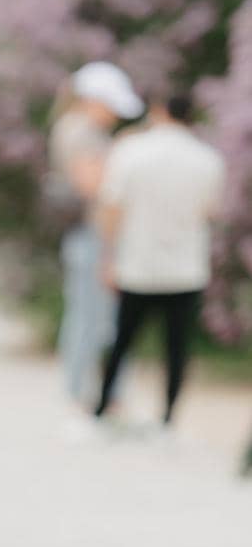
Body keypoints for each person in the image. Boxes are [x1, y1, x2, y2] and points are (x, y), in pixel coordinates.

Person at [94, 93, 225, 430]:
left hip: (137, 262)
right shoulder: (208, 159)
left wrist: (108, 256)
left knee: (122, 341)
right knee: (177, 348)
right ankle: (167, 417)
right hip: (185, 267)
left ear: (157, 112)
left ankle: (100, 409)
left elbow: (112, 207)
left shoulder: (130, 152)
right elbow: (210, 211)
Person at [46, 62, 143, 412]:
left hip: (94, 234)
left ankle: (96, 393)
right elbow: (92, 185)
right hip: (92, 235)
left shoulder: (77, 129)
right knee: (90, 319)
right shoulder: (80, 131)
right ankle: (83, 395)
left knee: (92, 317)